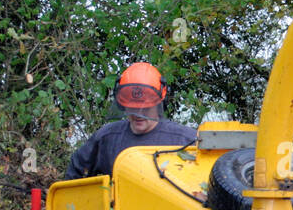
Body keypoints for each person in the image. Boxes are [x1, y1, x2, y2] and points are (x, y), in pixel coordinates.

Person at [64, 62, 196, 180]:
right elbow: (76, 171)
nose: (138, 114)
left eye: (145, 108)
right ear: (122, 105)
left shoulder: (184, 140)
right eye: (132, 107)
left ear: (158, 103)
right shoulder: (107, 137)